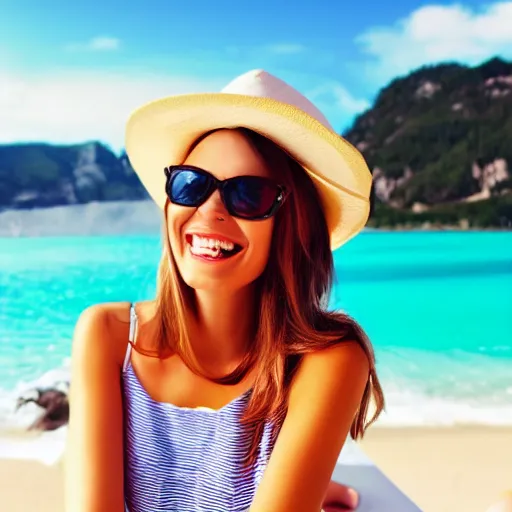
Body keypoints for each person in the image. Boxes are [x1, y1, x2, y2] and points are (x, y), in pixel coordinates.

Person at [64, 69, 385, 512]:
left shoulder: (327, 360)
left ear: (294, 226)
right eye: (191, 184)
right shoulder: (108, 334)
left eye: (248, 194)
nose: (209, 210)